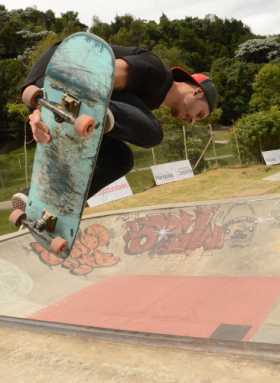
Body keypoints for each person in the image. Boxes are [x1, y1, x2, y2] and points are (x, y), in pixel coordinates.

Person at [11, 39, 219, 210]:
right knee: (153, 133)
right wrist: (46, 102)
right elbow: (100, 75)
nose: (192, 121)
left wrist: (44, 108)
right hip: (62, 68)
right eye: (198, 114)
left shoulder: (148, 102)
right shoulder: (156, 73)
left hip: (53, 96)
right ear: (196, 91)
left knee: (120, 158)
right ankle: (98, 115)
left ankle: (41, 197)